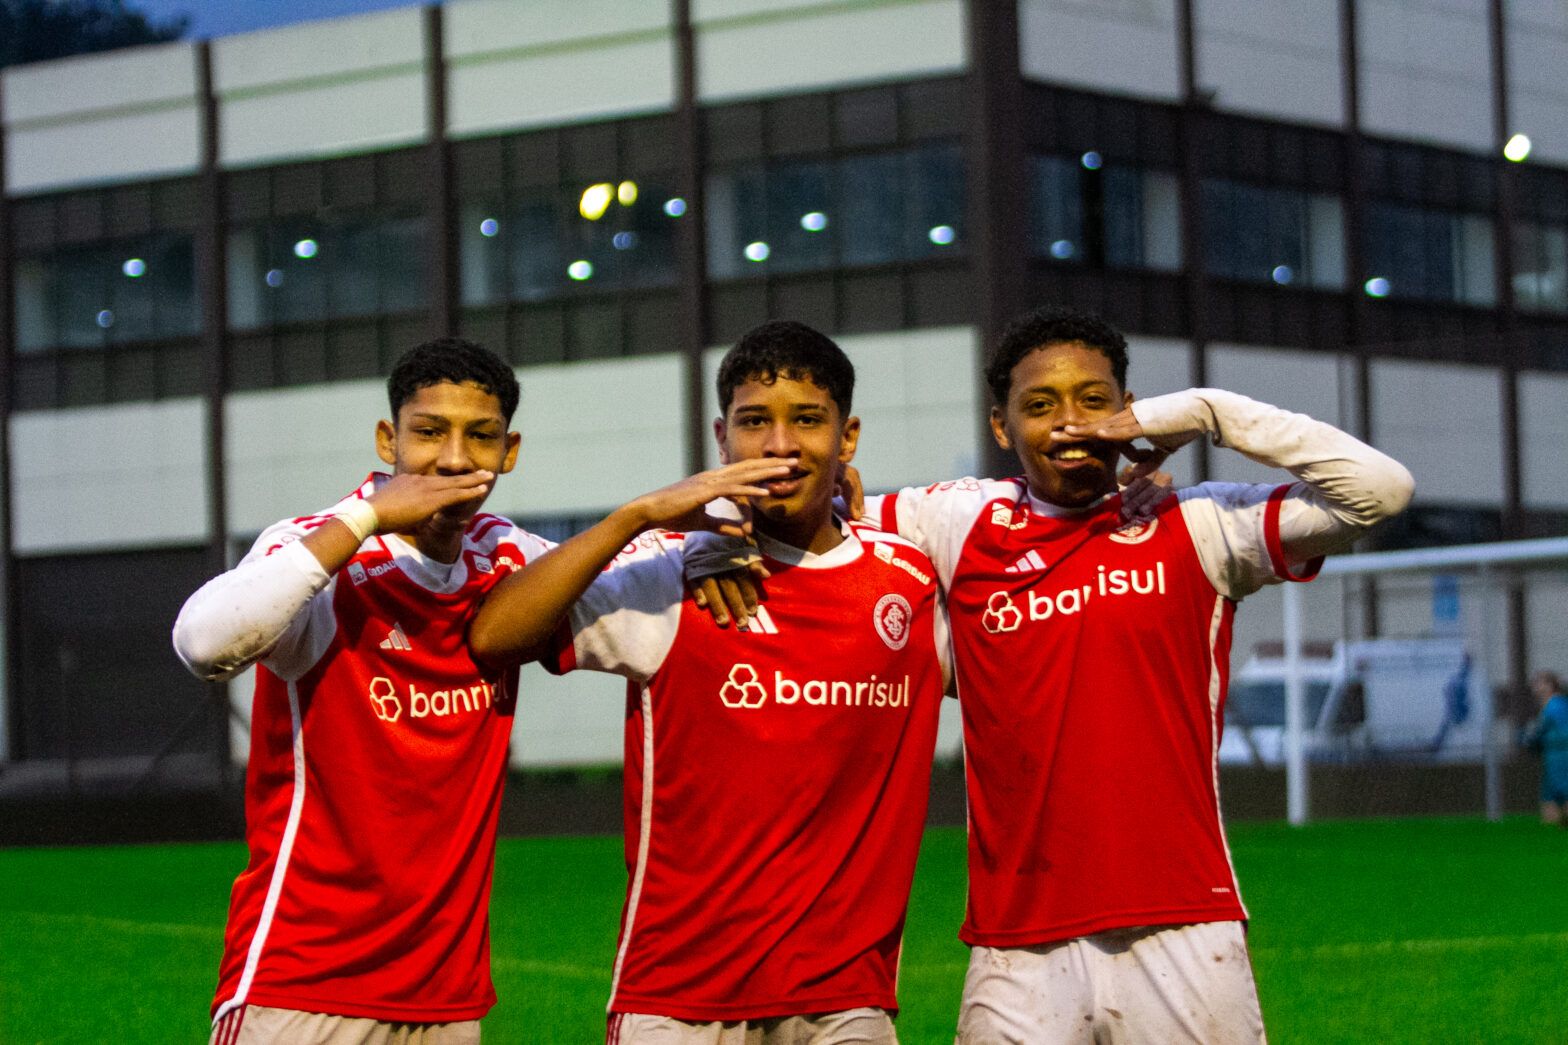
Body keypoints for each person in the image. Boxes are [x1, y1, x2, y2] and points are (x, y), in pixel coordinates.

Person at [691, 305, 1414, 1043]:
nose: (1069, 423)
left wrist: (1206, 411)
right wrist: (713, 528)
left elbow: (1379, 490)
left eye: (1093, 401)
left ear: (1130, 411)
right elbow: (796, 495)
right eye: (1039, 406)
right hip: (1016, 946)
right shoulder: (963, 520)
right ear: (1003, 428)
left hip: (1185, 926)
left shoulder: (1198, 525)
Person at [468, 320, 950, 1045]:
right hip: (679, 999)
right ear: (722, 439)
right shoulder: (670, 574)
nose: (780, 445)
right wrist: (639, 515)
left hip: (846, 999)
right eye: (756, 423)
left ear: (847, 438)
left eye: (808, 421)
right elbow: (495, 634)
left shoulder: (908, 584)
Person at [173, 338, 552, 1045]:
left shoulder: (509, 556)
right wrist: (366, 517)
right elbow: (202, 642)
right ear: (389, 438)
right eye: (429, 431)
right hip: (301, 983)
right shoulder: (321, 547)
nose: (454, 458)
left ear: (510, 451)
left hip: (446, 995)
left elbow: (629, 584)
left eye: (481, 435)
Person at [1523, 670, 1568, 827]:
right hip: (1553, 753)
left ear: (1550, 685)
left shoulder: (1556, 704)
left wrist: (1531, 739)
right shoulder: (1551, 705)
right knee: (1551, 793)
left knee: (1561, 788)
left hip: (1560, 754)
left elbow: (1561, 730)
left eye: (1540, 683)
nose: (1536, 687)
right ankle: (1554, 824)